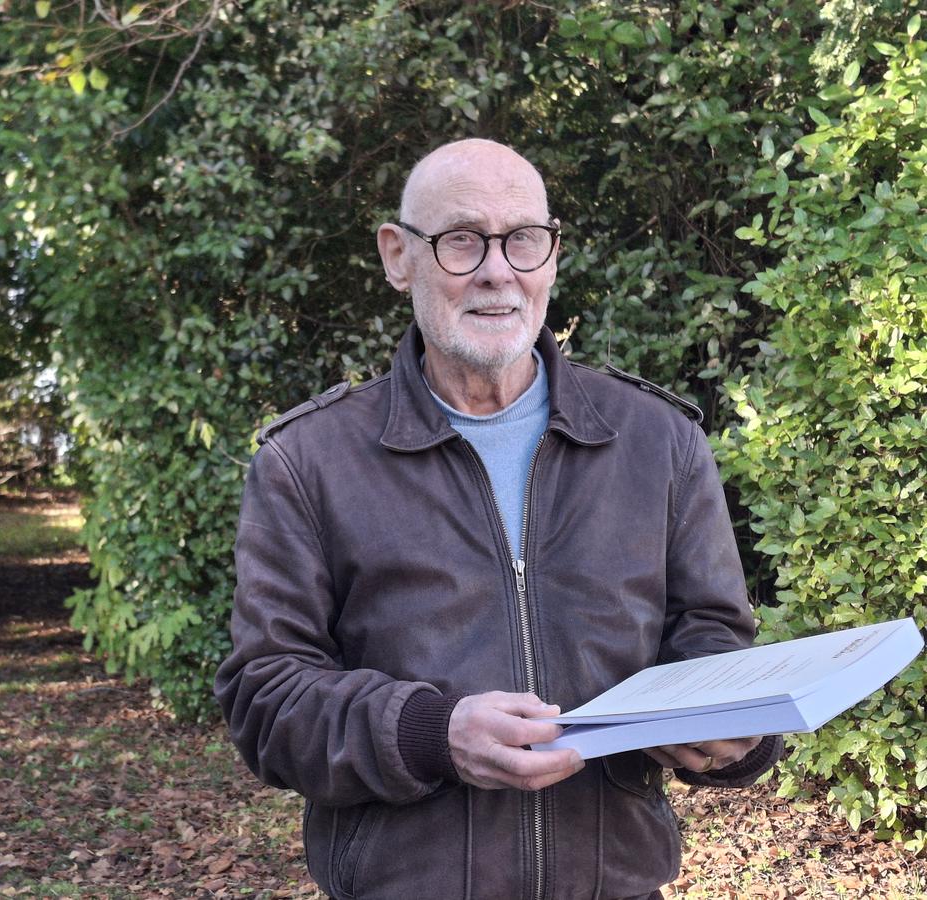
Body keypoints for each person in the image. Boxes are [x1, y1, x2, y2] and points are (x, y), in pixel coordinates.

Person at [215, 138, 782, 900]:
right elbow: (267, 698)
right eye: (459, 241)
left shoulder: (658, 441)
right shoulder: (310, 462)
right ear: (397, 256)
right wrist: (431, 735)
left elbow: (714, 641)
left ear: (550, 255)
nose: (496, 269)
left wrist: (729, 737)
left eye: (522, 239)